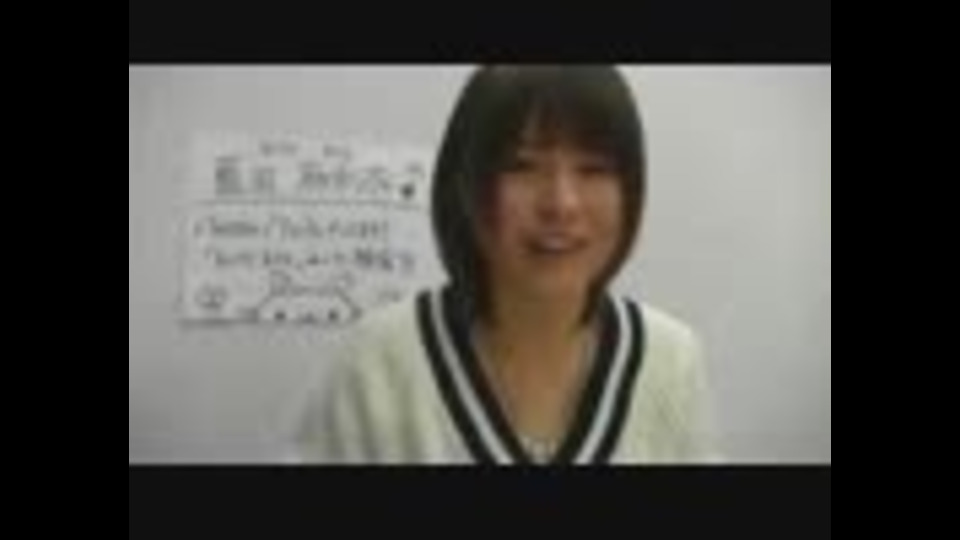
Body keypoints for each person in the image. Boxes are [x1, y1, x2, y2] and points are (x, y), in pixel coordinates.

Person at [294, 65, 718, 464]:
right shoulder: (377, 364)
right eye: (522, 166)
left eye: (593, 170)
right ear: (465, 184)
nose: (561, 203)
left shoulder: (671, 362)